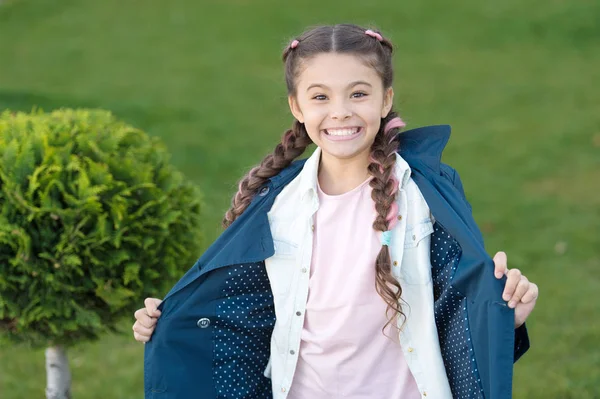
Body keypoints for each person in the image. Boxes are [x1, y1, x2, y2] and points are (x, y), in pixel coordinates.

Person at [133, 24, 538, 399]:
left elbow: (460, 303)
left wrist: (505, 312)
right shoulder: (278, 205)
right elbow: (237, 311)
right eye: (320, 96)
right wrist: (169, 322)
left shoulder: (423, 196)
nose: (341, 111)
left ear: (386, 99)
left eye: (358, 94)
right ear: (297, 106)